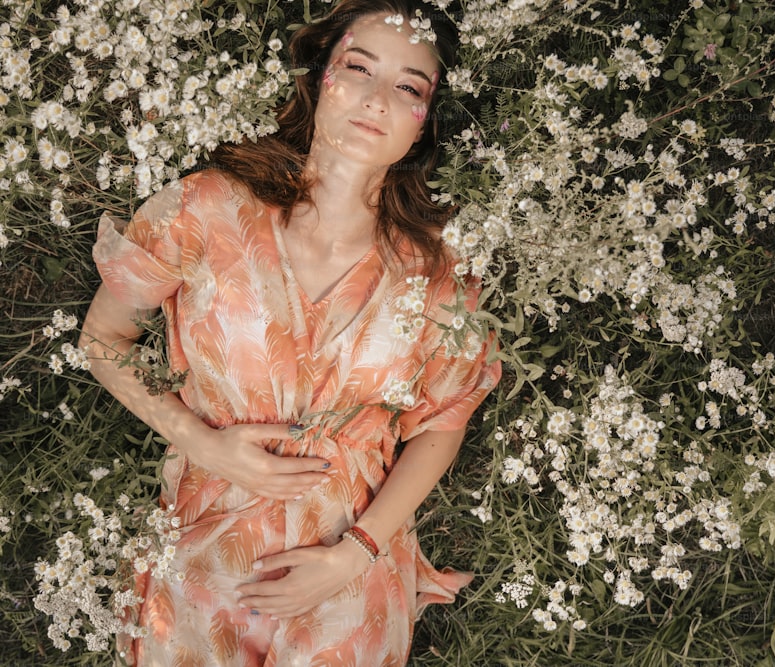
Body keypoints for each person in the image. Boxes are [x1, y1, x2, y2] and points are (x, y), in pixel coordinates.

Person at [80, 0, 500, 664]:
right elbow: (101, 341)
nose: (375, 98)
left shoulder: (441, 270)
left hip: (349, 573)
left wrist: (353, 554)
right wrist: (202, 443)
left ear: (425, 123)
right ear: (318, 76)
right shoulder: (205, 208)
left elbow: (444, 424)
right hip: (203, 556)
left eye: (409, 86)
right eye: (357, 67)